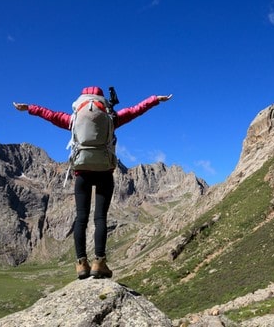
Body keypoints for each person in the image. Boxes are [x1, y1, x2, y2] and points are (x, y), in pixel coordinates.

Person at [13, 86, 172, 279]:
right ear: (102, 101)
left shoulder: (73, 119)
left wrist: (29, 107)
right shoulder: (111, 119)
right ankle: (99, 263)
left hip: (82, 173)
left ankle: (81, 264)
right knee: (100, 218)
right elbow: (135, 110)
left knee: (81, 218)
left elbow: (51, 115)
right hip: (104, 171)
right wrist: (154, 99)